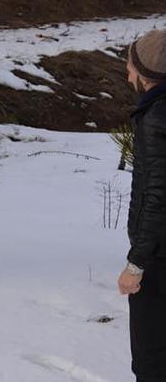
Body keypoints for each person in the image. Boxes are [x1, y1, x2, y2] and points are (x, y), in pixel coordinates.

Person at [118, 28, 166, 382]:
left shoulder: (156, 117)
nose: (127, 73)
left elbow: (158, 197)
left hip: (159, 259)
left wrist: (136, 265)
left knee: (150, 360)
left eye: (131, 64)